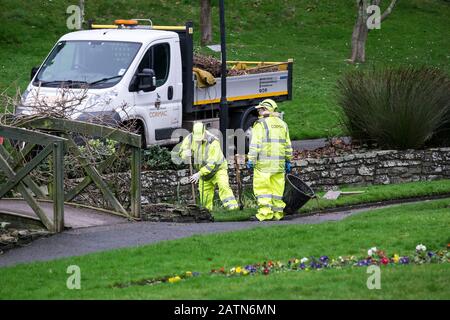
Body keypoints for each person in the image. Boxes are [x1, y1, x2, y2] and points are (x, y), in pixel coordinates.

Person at [247, 99, 293, 221]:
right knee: (277, 191)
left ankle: (265, 214)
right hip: (279, 164)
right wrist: (288, 160)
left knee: (263, 190)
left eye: (261, 109)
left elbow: (255, 145)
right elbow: (287, 145)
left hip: (264, 164)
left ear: (267, 110)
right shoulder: (283, 124)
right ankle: (278, 214)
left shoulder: (260, 124)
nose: (259, 111)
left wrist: (251, 159)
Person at [179, 122, 239, 211]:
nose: (198, 141)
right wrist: (185, 154)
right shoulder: (190, 138)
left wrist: (198, 174)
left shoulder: (213, 141)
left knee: (224, 186)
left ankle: (233, 210)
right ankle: (207, 214)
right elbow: (181, 152)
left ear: (204, 133)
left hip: (218, 169)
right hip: (203, 173)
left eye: (200, 139)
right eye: (197, 139)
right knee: (204, 197)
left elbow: (211, 164)